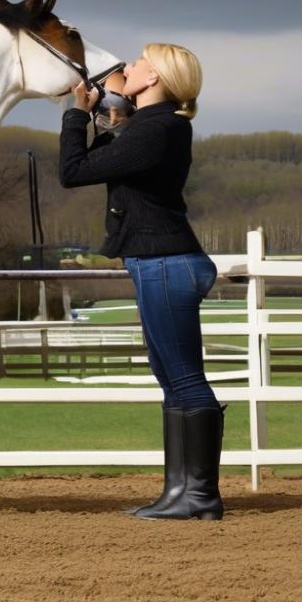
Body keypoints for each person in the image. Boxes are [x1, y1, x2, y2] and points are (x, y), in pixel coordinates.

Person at [58, 43, 224, 521]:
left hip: (166, 263)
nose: (126, 68)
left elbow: (75, 171)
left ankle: (200, 496)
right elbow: (115, 149)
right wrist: (110, 105)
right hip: (158, 262)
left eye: (136, 64)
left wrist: (76, 115)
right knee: (171, 376)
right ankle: (180, 492)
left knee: (186, 379)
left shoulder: (161, 129)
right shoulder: (155, 128)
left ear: (154, 79)